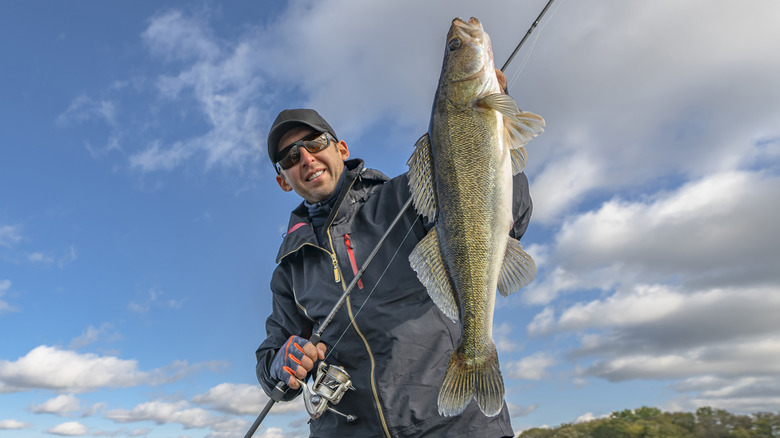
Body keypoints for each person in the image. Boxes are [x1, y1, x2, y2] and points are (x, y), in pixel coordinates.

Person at [255, 72, 533, 438]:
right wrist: (281, 364)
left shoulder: (409, 198)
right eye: (290, 157)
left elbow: (511, 213)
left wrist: (490, 123)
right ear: (283, 180)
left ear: (340, 149)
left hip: (455, 425)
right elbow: (269, 360)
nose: (306, 158)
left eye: (315, 142)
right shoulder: (289, 269)